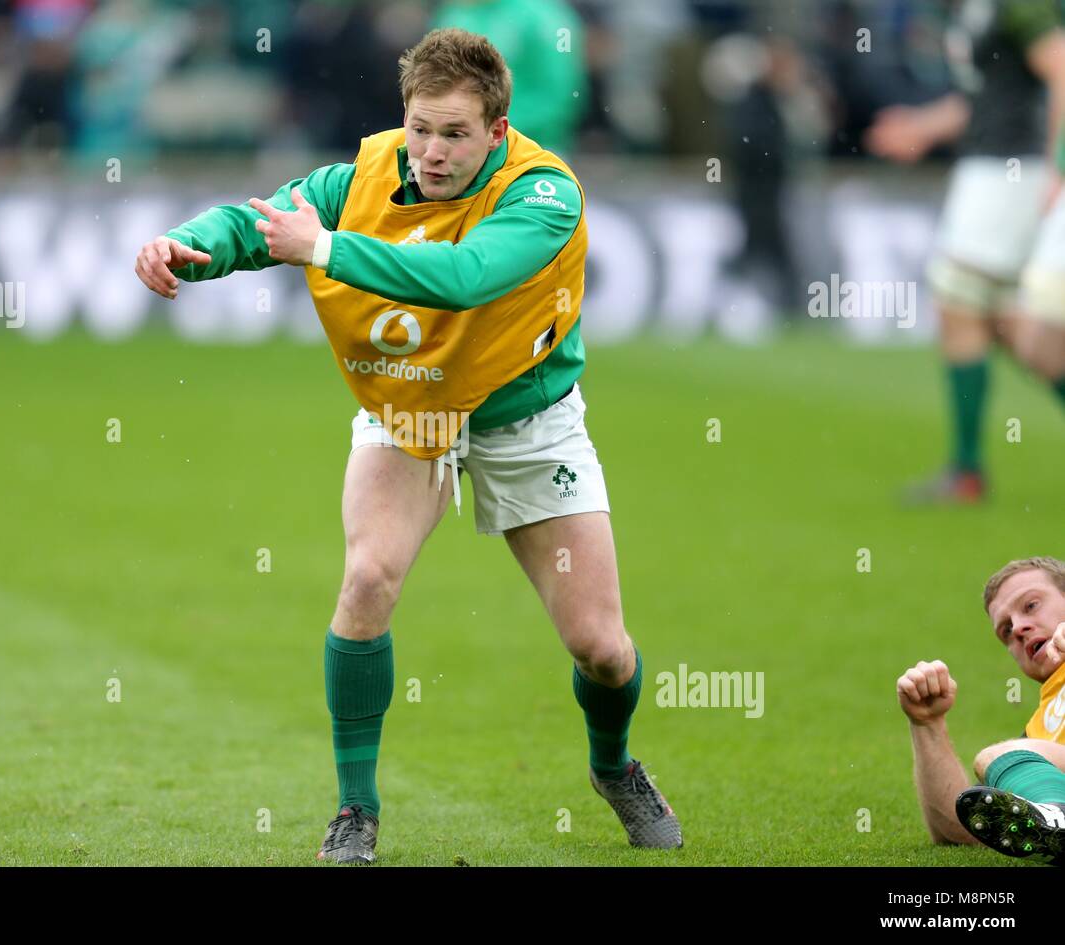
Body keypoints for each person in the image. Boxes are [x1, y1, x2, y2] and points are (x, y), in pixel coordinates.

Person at [134, 27, 680, 864]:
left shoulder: (546, 194)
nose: (431, 151)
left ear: (497, 133)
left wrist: (320, 249)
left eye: (456, 134)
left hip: (526, 422)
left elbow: (465, 279)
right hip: (410, 413)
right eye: (420, 128)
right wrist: (184, 244)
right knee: (366, 579)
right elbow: (258, 222)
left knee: (602, 651)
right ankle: (357, 812)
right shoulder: (359, 179)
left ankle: (613, 767)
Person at [865, 0, 1065, 503]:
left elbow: (1061, 66)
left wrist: (1058, 165)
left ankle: (966, 471)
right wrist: (923, 126)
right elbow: (987, 94)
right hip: (992, 166)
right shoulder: (968, 9)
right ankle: (966, 471)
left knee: (960, 300)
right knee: (1012, 324)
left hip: (1012, 169)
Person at [897, 556, 1065, 863]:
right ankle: (1057, 823)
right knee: (998, 761)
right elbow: (964, 829)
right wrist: (927, 725)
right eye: (1005, 631)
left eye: (1031, 605)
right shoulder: (1037, 737)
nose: (1018, 628)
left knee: (999, 756)